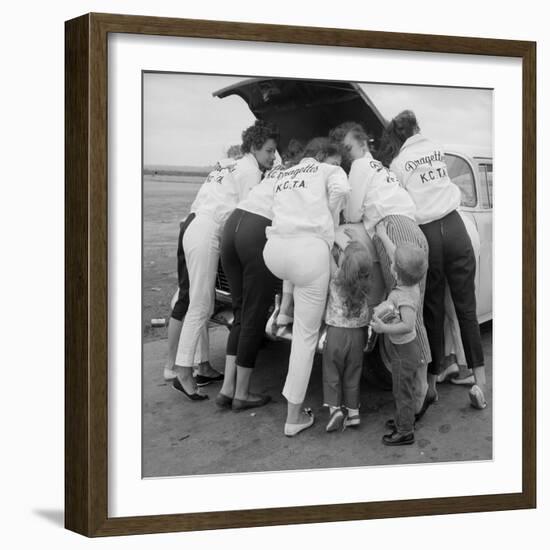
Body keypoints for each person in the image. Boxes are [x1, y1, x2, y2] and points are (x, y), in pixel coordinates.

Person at [380, 110, 487, 409]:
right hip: (455, 226)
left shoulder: (398, 164)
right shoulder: (437, 149)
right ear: (417, 127)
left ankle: (431, 384)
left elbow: (402, 200)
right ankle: (481, 383)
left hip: (427, 232)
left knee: (433, 309)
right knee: (466, 308)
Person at [330, 121, 433, 417]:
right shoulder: (380, 167)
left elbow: (352, 212)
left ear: (362, 143)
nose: (348, 154)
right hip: (411, 228)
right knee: (415, 312)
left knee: (409, 315)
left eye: (349, 147)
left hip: (393, 229)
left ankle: (420, 392)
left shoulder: (360, 167)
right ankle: (423, 389)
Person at [172, 120, 279, 401]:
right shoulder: (248, 171)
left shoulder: (227, 163)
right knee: (201, 304)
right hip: (208, 228)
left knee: (197, 300)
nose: (271, 157)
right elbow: (249, 209)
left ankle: (198, 364)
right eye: (268, 151)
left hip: (193, 223)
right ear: (254, 147)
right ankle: (183, 371)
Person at [262, 137, 350, 436]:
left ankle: (283, 310)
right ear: (324, 156)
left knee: (295, 272)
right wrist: (329, 214)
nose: (338, 167)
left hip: (274, 251)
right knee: (305, 338)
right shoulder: (327, 171)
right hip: (309, 252)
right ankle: (294, 417)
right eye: (336, 161)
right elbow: (342, 189)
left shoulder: (284, 172)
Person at [216, 165, 283, 412]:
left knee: (241, 312)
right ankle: (242, 393)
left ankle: (227, 389)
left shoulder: (274, 172)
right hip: (256, 230)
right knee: (254, 315)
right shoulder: (306, 176)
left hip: (233, 224)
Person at [370, 221, 429, 445]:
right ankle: (404, 420)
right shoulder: (410, 281)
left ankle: (405, 431)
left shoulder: (404, 297)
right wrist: (384, 235)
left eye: (393, 264)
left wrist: (383, 328)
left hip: (405, 350)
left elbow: (407, 325)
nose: (391, 263)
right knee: (401, 388)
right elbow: (396, 255)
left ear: (396, 271)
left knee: (402, 391)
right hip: (401, 348)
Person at [322, 240, 372, 432]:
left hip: (336, 334)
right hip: (358, 336)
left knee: (332, 372)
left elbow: (329, 258)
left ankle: (335, 410)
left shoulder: (336, 278)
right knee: (353, 374)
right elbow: (362, 262)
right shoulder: (366, 284)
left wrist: (329, 242)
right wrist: (357, 244)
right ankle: (353, 413)